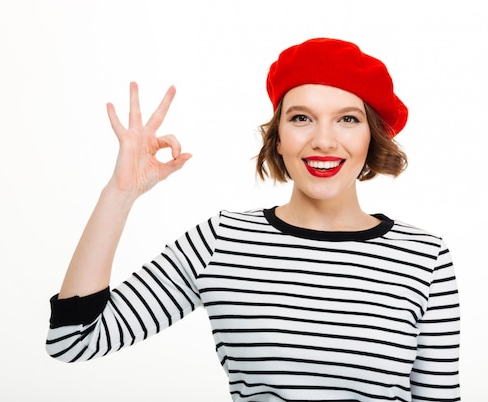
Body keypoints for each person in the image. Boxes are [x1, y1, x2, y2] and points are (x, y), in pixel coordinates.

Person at [46, 38, 460, 402]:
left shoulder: (424, 257)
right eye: (301, 118)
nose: (323, 139)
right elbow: (74, 339)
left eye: (347, 119)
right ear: (277, 137)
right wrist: (120, 193)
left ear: (371, 136)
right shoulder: (221, 241)